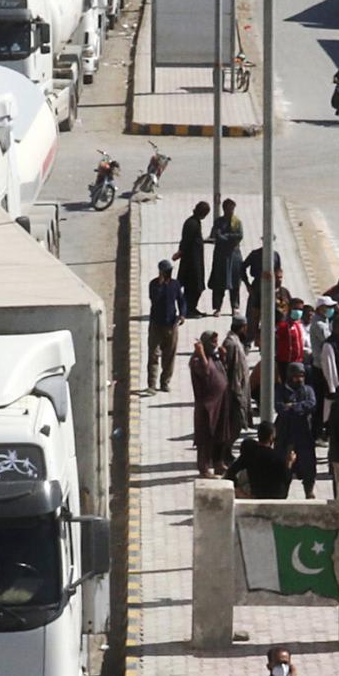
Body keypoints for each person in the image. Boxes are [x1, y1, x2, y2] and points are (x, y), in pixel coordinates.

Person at [188, 332, 236, 478]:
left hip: (221, 402)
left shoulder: (213, 356)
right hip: (207, 406)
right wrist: (201, 352)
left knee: (221, 434)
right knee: (206, 437)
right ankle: (203, 469)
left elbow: (222, 372)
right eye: (212, 342)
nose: (215, 344)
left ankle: (218, 463)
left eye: (216, 341)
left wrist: (223, 358)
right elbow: (206, 372)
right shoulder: (197, 359)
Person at [273, 363, 320, 499]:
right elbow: (280, 407)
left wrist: (293, 406)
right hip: (286, 435)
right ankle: (282, 493)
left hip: (304, 434)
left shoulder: (308, 390)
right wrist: (295, 409)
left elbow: (311, 404)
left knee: (308, 465)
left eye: (301, 376)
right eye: (296, 376)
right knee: (284, 466)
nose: (299, 379)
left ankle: (309, 491)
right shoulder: (281, 390)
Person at [148, 259, 187, 392]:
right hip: (156, 325)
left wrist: (182, 315)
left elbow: (181, 301)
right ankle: (152, 384)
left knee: (169, 356)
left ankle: (164, 382)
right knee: (153, 354)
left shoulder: (175, 285)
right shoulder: (153, 284)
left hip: (171, 325)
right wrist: (160, 284)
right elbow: (154, 299)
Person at [208, 199, 245, 319]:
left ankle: (235, 306)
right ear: (224, 209)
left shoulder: (237, 222)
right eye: (228, 209)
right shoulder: (219, 221)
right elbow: (216, 235)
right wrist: (226, 238)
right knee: (219, 282)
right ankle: (217, 307)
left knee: (235, 281)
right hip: (221, 255)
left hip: (234, 255)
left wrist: (227, 237)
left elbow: (239, 236)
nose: (230, 211)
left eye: (232, 209)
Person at [177, 201, 210, 308]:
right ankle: (189, 308)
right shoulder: (192, 224)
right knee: (194, 286)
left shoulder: (194, 222)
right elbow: (186, 241)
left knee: (196, 286)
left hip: (195, 260)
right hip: (191, 261)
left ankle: (191, 308)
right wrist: (180, 252)